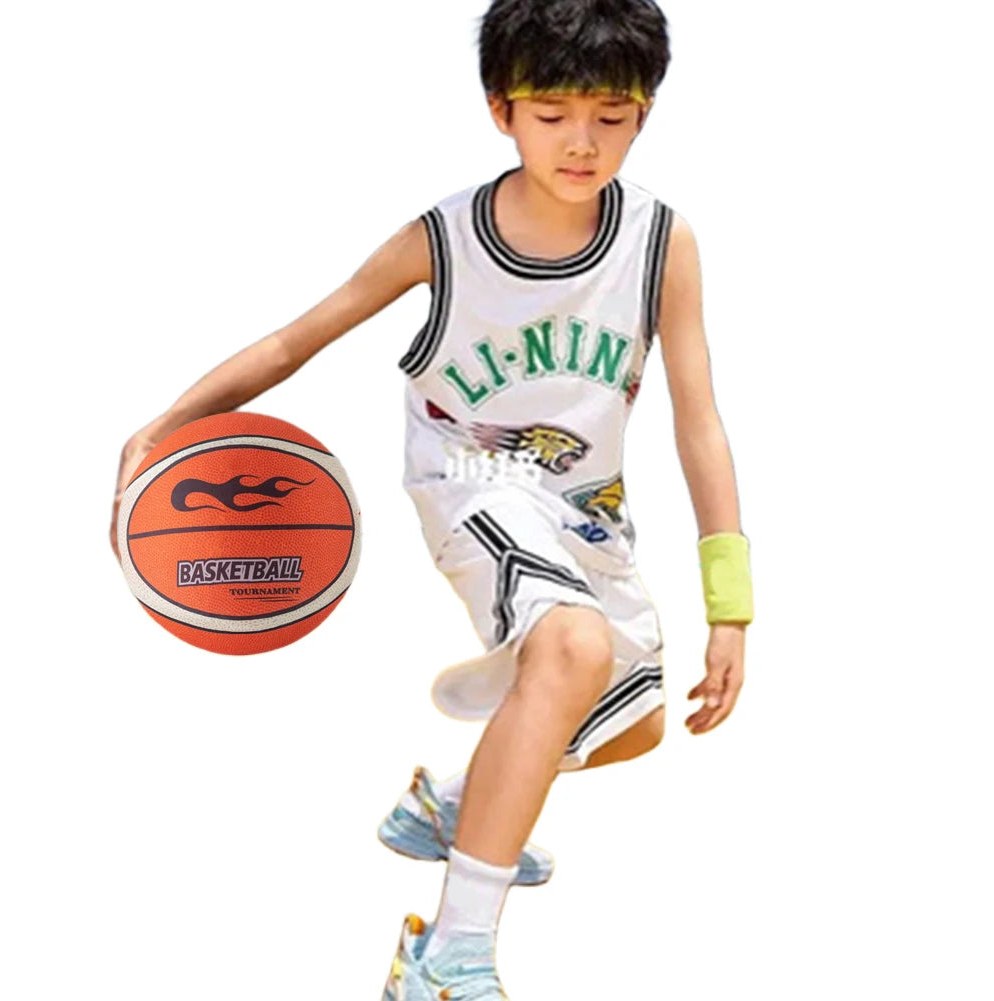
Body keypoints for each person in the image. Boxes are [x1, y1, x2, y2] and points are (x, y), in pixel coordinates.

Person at [109, 2, 754, 997]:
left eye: (609, 116)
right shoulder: (445, 238)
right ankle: (447, 956)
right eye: (552, 115)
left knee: (630, 728)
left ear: (644, 114)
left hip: (587, 506)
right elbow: (296, 337)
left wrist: (728, 600)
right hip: (472, 481)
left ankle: (451, 804)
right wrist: (165, 424)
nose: (581, 142)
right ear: (502, 111)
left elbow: (698, 421)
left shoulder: (662, 242)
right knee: (572, 647)